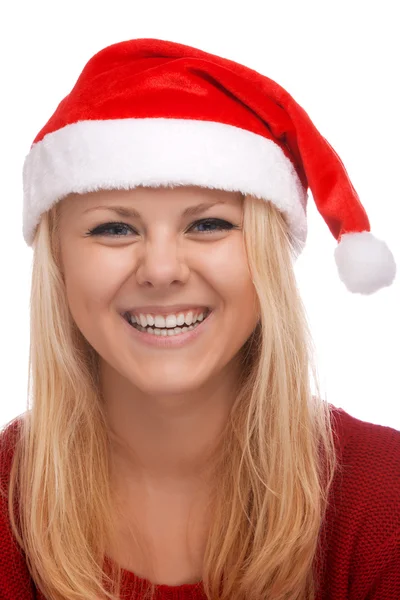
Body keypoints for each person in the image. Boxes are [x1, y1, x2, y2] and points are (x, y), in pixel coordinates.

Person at [0, 37, 399, 600]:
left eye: (209, 225)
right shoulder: (4, 503)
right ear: (59, 261)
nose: (161, 270)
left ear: (268, 254)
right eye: (114, 228)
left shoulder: (385, 494)